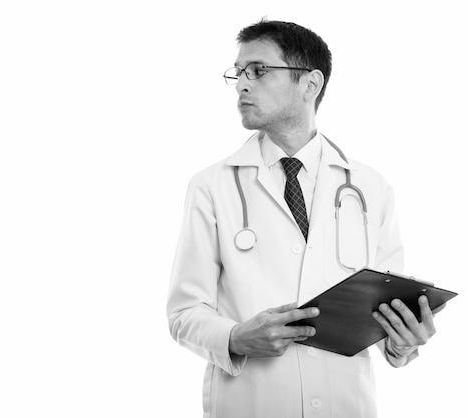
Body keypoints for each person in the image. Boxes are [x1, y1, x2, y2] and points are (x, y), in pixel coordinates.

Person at [166, 19, 444, 418]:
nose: (242, 84)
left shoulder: (370, 186)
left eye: (258, 71)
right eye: (238, 73)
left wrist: (402, 340)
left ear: (310, 84)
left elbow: (384, 310)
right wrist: (236, 337)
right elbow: (183, 314)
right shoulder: (211, 186)